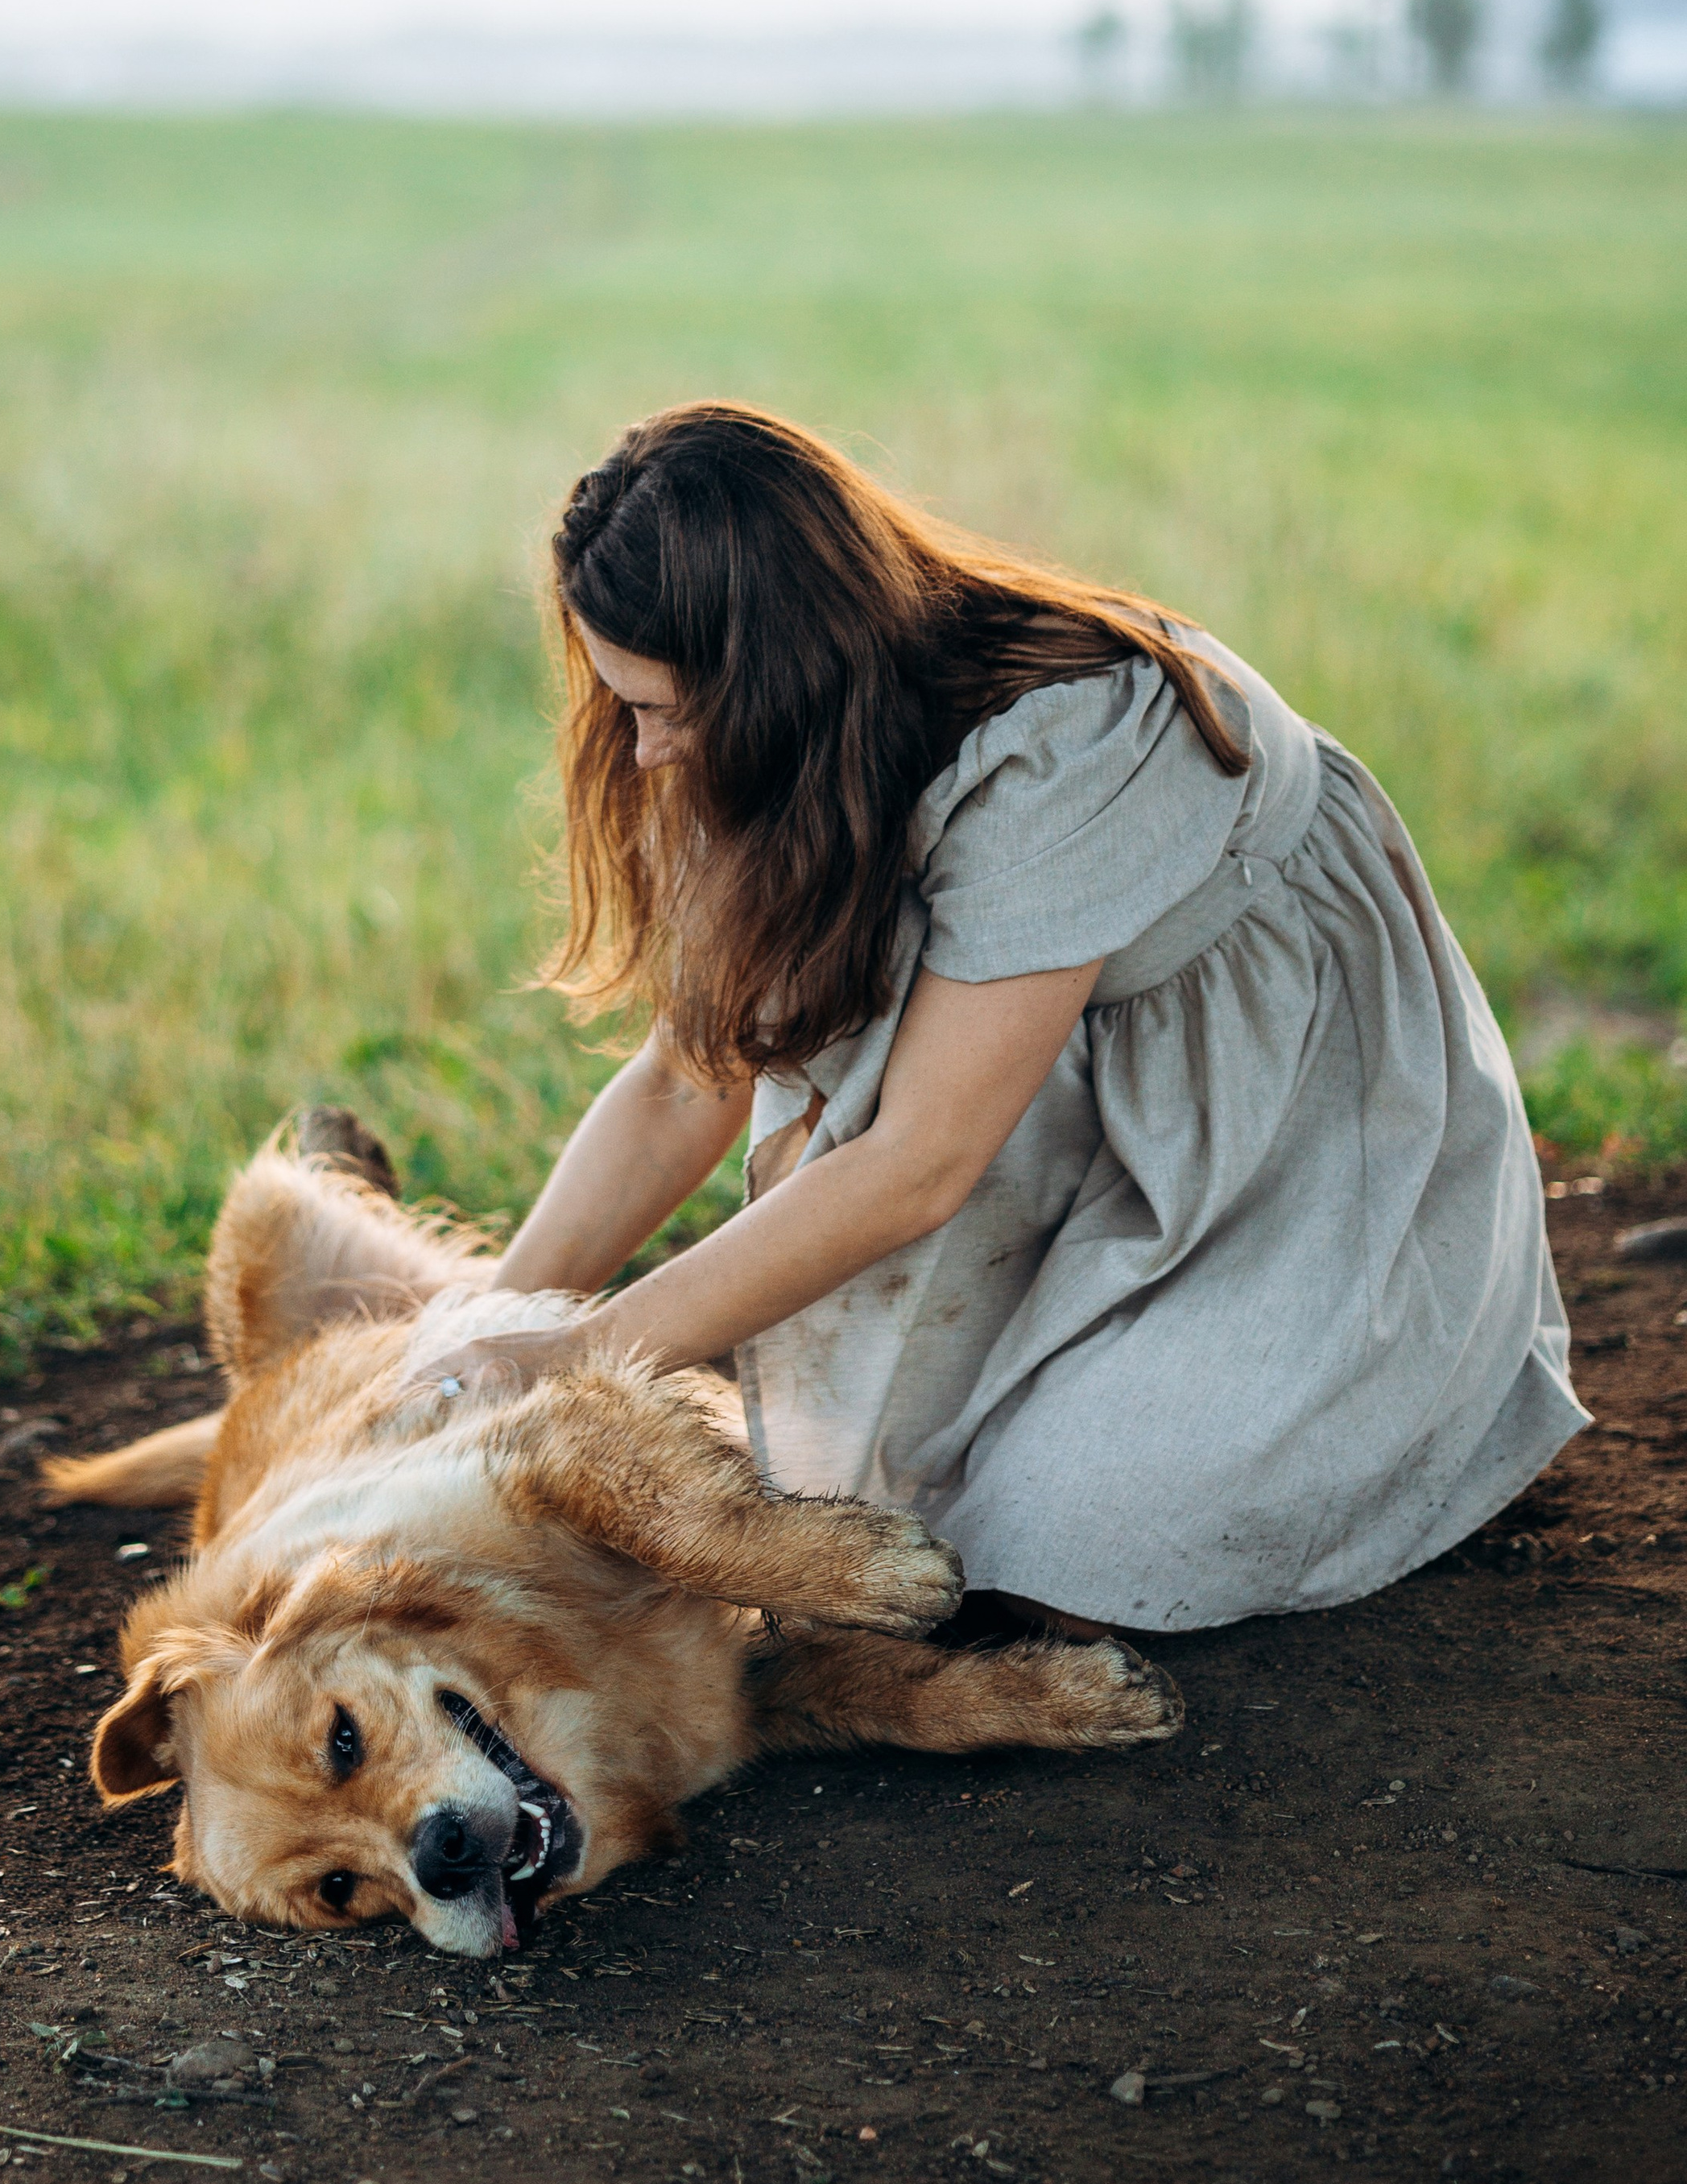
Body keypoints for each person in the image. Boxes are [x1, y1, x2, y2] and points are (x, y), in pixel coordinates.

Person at [406, 400, 1580, 1635]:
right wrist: (482, 1333)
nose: (644, 754)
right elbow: (680, 1081)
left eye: (662, 711)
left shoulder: (1071, 740)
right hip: (1071, 1100)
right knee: (946, 1526)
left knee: (1057, 1558)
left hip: (1288, 1128)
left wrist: (584, 1356)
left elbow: (918, 1163)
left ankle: (1399, 1397)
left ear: (774, 680)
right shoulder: (769, 749)